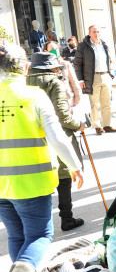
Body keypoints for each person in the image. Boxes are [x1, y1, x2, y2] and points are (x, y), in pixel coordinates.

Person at [0, 41, 83, 272]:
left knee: (17, 234)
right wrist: (74, 166)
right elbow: (57, 137)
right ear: (22, 66)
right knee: (40, 234)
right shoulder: (33, 95)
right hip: (30, 180)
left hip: (1, 184)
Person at [26, 52, 86, 231]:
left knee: (40, 179)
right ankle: (66, 218)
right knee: (64, 177)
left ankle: (37, 223)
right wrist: (79, 125)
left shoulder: (25, 83)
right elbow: (63, 116)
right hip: (57, 133)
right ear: (51, 67)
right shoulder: (54, 83)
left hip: (33, 135)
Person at [73, 25, 116, 135]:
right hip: (92, 78)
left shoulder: (104, 45)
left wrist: (110, 73)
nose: (96, 34)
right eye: (94, 32)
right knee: (94, 103)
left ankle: (107, 125)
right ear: (89, 34)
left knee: (106, 102)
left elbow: (110, 60)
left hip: (105, 75)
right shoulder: (83, 46)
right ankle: (97, 126)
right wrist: (81, 79)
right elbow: (77, 63)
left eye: (98, 32)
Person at [43, 41, 81, 108]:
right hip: (53, 101)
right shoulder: (43, 67)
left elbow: (73, 81)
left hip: (67, 99)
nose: (54, 50)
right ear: (46, 51)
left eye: (56, 48)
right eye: (51, 49)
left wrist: (78, 97)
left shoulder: (65, 64)